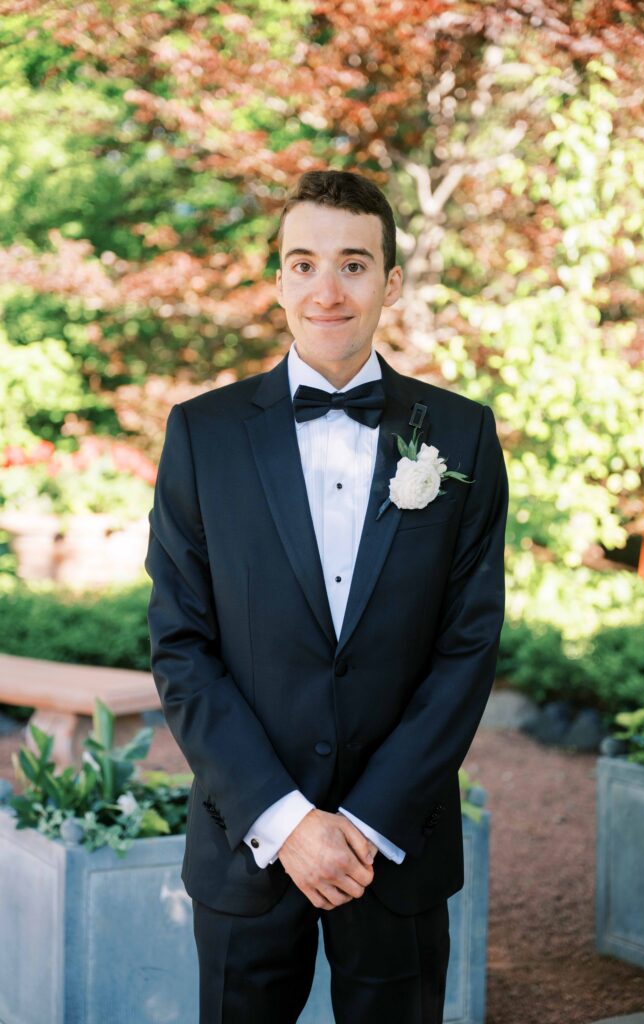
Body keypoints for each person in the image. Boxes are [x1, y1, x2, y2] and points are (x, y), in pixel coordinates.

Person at [145, 169, 508, 1024]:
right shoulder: (201, 435)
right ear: (277, 279)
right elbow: (180, 645)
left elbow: (467, 646)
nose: (326, 289)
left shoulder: (460, 435)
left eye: (352, 264)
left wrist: (368, 821)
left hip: (397, 847)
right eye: (302, 263)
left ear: (389, 281)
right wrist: (287, 822)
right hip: (250, 845)